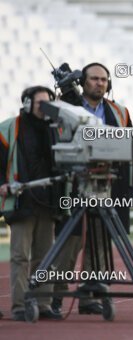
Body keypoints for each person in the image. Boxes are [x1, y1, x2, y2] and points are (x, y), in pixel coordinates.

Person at [51, 63, 133, 315]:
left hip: (109, 187)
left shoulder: (119, 111)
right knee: (69, 244)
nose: (99, 83)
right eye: (94, 79)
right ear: (83, 81)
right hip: (74, 187)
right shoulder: (65, 108)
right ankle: (56, 297)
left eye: (104, 80)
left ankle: (92, 296)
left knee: (101, 244)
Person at [0, 86, 63, 321]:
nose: (45, 108)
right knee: (20, 256)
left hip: (48, 202)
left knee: (45, 255)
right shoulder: (9, 127)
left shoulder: (56, 129)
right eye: (40, 103)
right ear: (27, 104)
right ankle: (18, 305)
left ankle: (43, 304)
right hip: (21, 201)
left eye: (49, 103)